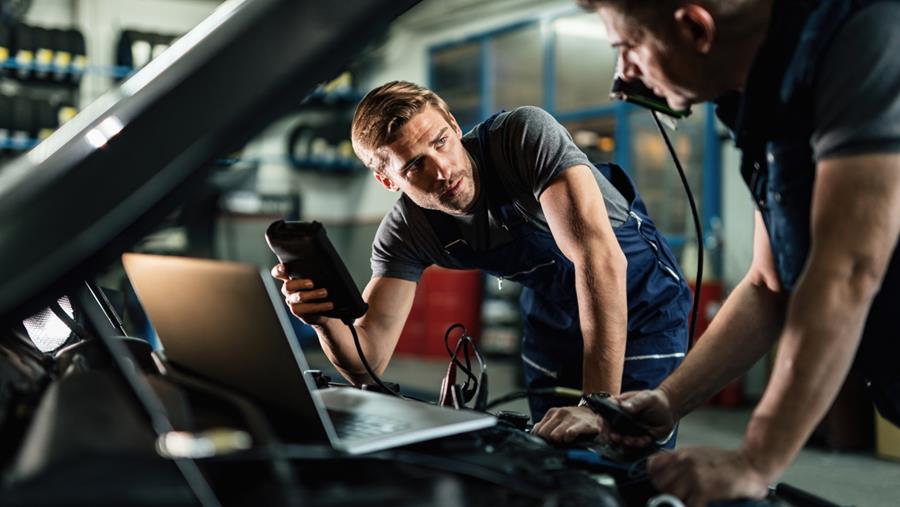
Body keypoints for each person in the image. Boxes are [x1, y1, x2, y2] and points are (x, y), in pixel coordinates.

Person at [537, 0, 900, 504]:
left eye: (628, 48)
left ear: (694, 28)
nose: (623, 76)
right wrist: (669, 399)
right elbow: (768, 285)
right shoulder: (765, 107)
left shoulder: (865, 38)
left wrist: (755, 460)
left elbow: (850, 269)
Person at [273, 80, 691, 426]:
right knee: (551, 460)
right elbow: (368, 361)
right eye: (415, 165)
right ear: (388, 181)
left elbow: (598, 259)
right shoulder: (407, 231)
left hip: (641, 305)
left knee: (627, 453)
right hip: (553, 321)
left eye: (441, 142)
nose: (442, 170)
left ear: (454, 126)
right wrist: (324, 319)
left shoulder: (523, 139)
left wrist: (596, 404)